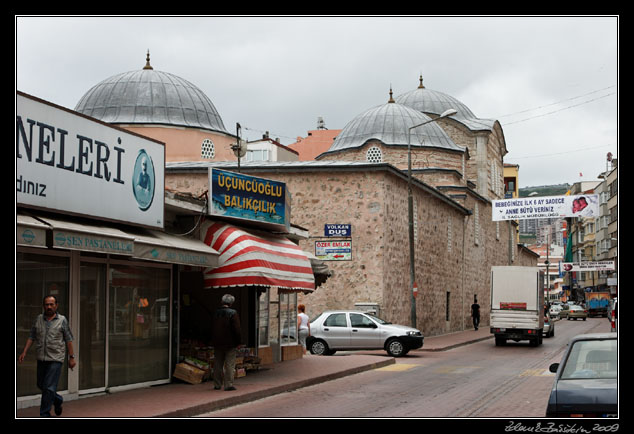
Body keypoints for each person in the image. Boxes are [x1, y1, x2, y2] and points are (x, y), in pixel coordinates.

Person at [18, 295, 76, 417]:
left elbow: (69, 340)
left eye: (51, 304)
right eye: (46, 304)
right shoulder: (38, 319)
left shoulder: (62, 320)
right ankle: (57, 400)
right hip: (41, 358)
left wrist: (72, 357)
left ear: (56, 305)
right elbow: (31, 336)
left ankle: (44, 414)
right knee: (41, 384)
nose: (49, 307)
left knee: (49, 387)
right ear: (43, 306)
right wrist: (24, 352)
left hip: (56, 359)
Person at [210, 294, 242, 391]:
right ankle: (228, 384)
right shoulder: (233, 313)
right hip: (230, 343)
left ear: (222, 302)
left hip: (217, 342)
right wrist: (238, 342)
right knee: (230, 364)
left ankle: (217, 384)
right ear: (231, 303)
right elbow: (237, 329)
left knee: (218, 363)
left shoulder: (216, 313)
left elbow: (211, 327)